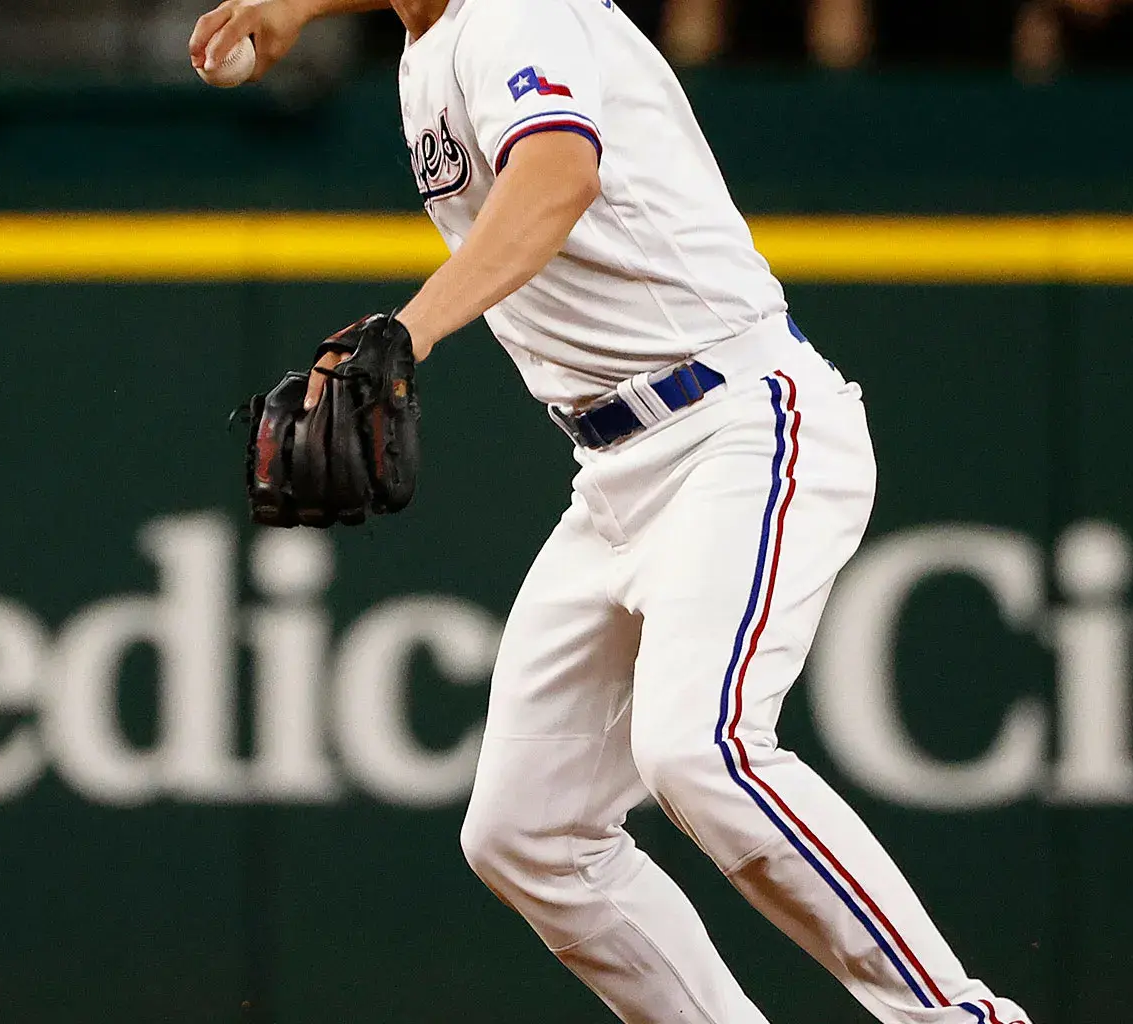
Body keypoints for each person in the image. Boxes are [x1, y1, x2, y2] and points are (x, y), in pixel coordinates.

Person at [190, 2, 1035, 1022]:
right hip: (613, 469)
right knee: (525, 834)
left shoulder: (519, 11)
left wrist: (410, 330)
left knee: (701, 750)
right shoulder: (436, 37)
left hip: (738, 422)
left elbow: (559, 175)